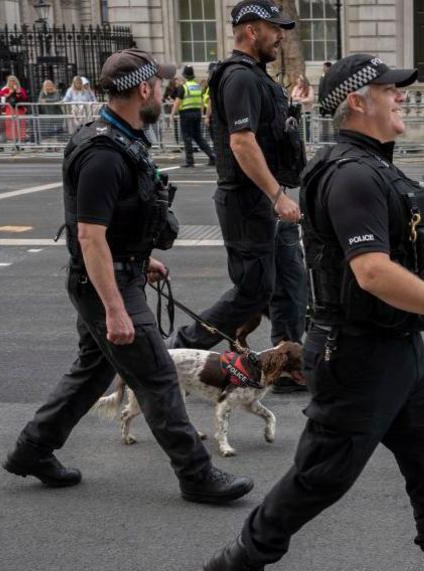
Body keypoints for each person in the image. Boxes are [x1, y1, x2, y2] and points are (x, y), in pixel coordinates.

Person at [203, 51, 424, 571]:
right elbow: (372, 273)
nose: (401, 95)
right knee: (322, 475)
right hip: (356, 353)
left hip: (399, 346)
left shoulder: (372, 166)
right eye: (390, 89)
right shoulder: (351, 176)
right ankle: (240, 560)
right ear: (357, 101)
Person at [2, 48, 252, 504]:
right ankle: (196, 475)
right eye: (159, 84)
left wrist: (139, 258)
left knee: (92, 372)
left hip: (117, 275)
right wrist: (116, 308)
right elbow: (90, 238)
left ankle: (32, 450)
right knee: (157, 376)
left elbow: (115, 226)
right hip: (106, 287)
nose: (164, 90)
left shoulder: (121, 139)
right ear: (143, 89)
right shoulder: (103, 153)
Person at [166, 0, 307, 384]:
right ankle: (173, 355)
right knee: (253, 292)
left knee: (292, 284)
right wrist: (277, 195)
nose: (280, 36)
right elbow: (242, 143)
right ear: (250, 30)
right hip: (250, 201)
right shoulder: (239, 77)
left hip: (269, 199)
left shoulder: (258, 76)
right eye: (274, 28)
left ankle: (288, 368)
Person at [171, 65, 216, 167]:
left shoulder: (184, 87)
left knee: (187, 137)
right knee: (198, 137)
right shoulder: (197, 86)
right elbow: (200, 102)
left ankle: (190, 161)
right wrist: (201, 115)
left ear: (185, 76)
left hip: (186, 114)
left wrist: (172, 114)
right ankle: (212, 156)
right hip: (197, 114)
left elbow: (177, 102)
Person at [0, 75, 28, 146]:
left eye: (13, 80)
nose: (12, 82)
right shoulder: (6, 89)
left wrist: (18, 92)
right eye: (10, 81)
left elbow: (25, 97)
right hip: (10, 110)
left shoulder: (20, 89)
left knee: (20, 125)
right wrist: (9, 93)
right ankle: (13, 142)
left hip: (19, 110)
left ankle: (20, 142)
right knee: (10, 125)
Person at [289, 74, 315, 142]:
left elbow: (310, 99)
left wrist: (300, 99)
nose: (298, 81)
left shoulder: (309, 88)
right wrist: (301, 99)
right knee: (298, 127)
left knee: (306, 128)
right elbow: (292, 97)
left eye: (300, 80)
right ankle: (298, 142)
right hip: (297, 111)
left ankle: (307, 143)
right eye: (298, 79)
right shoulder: (296, 88)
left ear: (304, 81)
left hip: (306, 111)